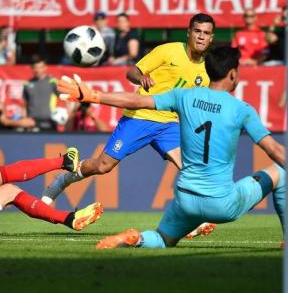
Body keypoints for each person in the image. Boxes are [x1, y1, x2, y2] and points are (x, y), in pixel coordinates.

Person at [57, 46, 285, 249]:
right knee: (282, 173)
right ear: (233, 74)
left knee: (164, 239)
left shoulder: (184, 96)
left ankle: (137, 239)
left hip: (185, 199)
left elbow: (135, 101)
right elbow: (274, 150)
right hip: (222, 204)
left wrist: (93, 95)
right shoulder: (241, 109)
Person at [43, 13, 217, 238]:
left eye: (206, 33)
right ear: (189, 32)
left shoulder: (207, 70)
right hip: (139, 116)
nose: (201, 37)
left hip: (169, 124)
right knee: (102, 166)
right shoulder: (168, 51)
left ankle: (195, 217)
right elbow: (132, 71)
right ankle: (61, 181)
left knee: (189, 168)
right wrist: (141, 78)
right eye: (197, 31)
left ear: (211, 38)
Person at [23, 56, 58, 131]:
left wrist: (68, 115)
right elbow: (25, 104)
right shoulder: (27, 84)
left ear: (45, 67)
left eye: (40, 67)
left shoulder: (52, 81)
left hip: (49, 123)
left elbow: (66, 98)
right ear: (32, 68)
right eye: (35, 67)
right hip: (32, 123)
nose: (38, 70)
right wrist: (25, 120)